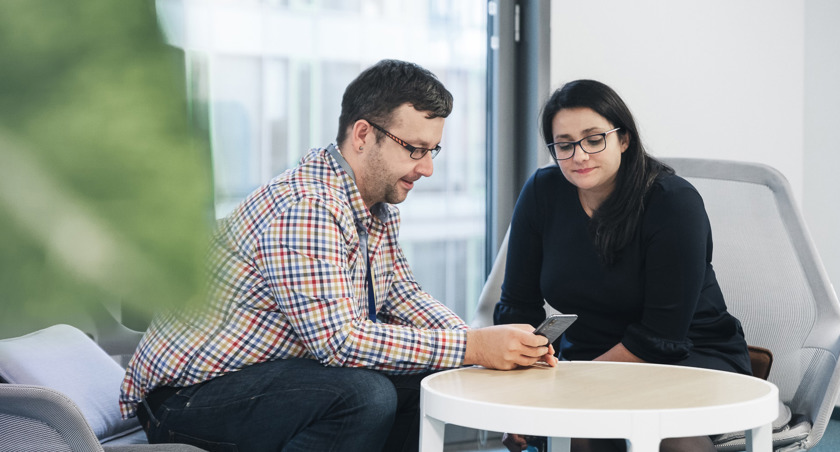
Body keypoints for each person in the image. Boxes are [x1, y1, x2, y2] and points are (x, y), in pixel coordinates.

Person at [119, 59, 556, 452]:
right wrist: (473, 346)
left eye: (432, 151)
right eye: (415, 149)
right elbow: (339, 341)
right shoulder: (308, 206)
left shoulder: (372, 207)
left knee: (425, 379)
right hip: (184, 401)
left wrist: (499, 350)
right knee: (364, 395)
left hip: (267, 381)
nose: (427, 169)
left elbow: (402, 296)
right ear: (363, 134)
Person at [494, 80, 751, 452]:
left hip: (690, 355)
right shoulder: (543, 192)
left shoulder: (672, 203)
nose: (579, 156)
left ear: (624, 139)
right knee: (585, 434)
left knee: (668, 438)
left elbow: (661, 338)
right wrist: (521, 386)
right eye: (564, 145)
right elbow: (518, 305)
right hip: (588, 355)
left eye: (594, 139)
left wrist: (570, 390)